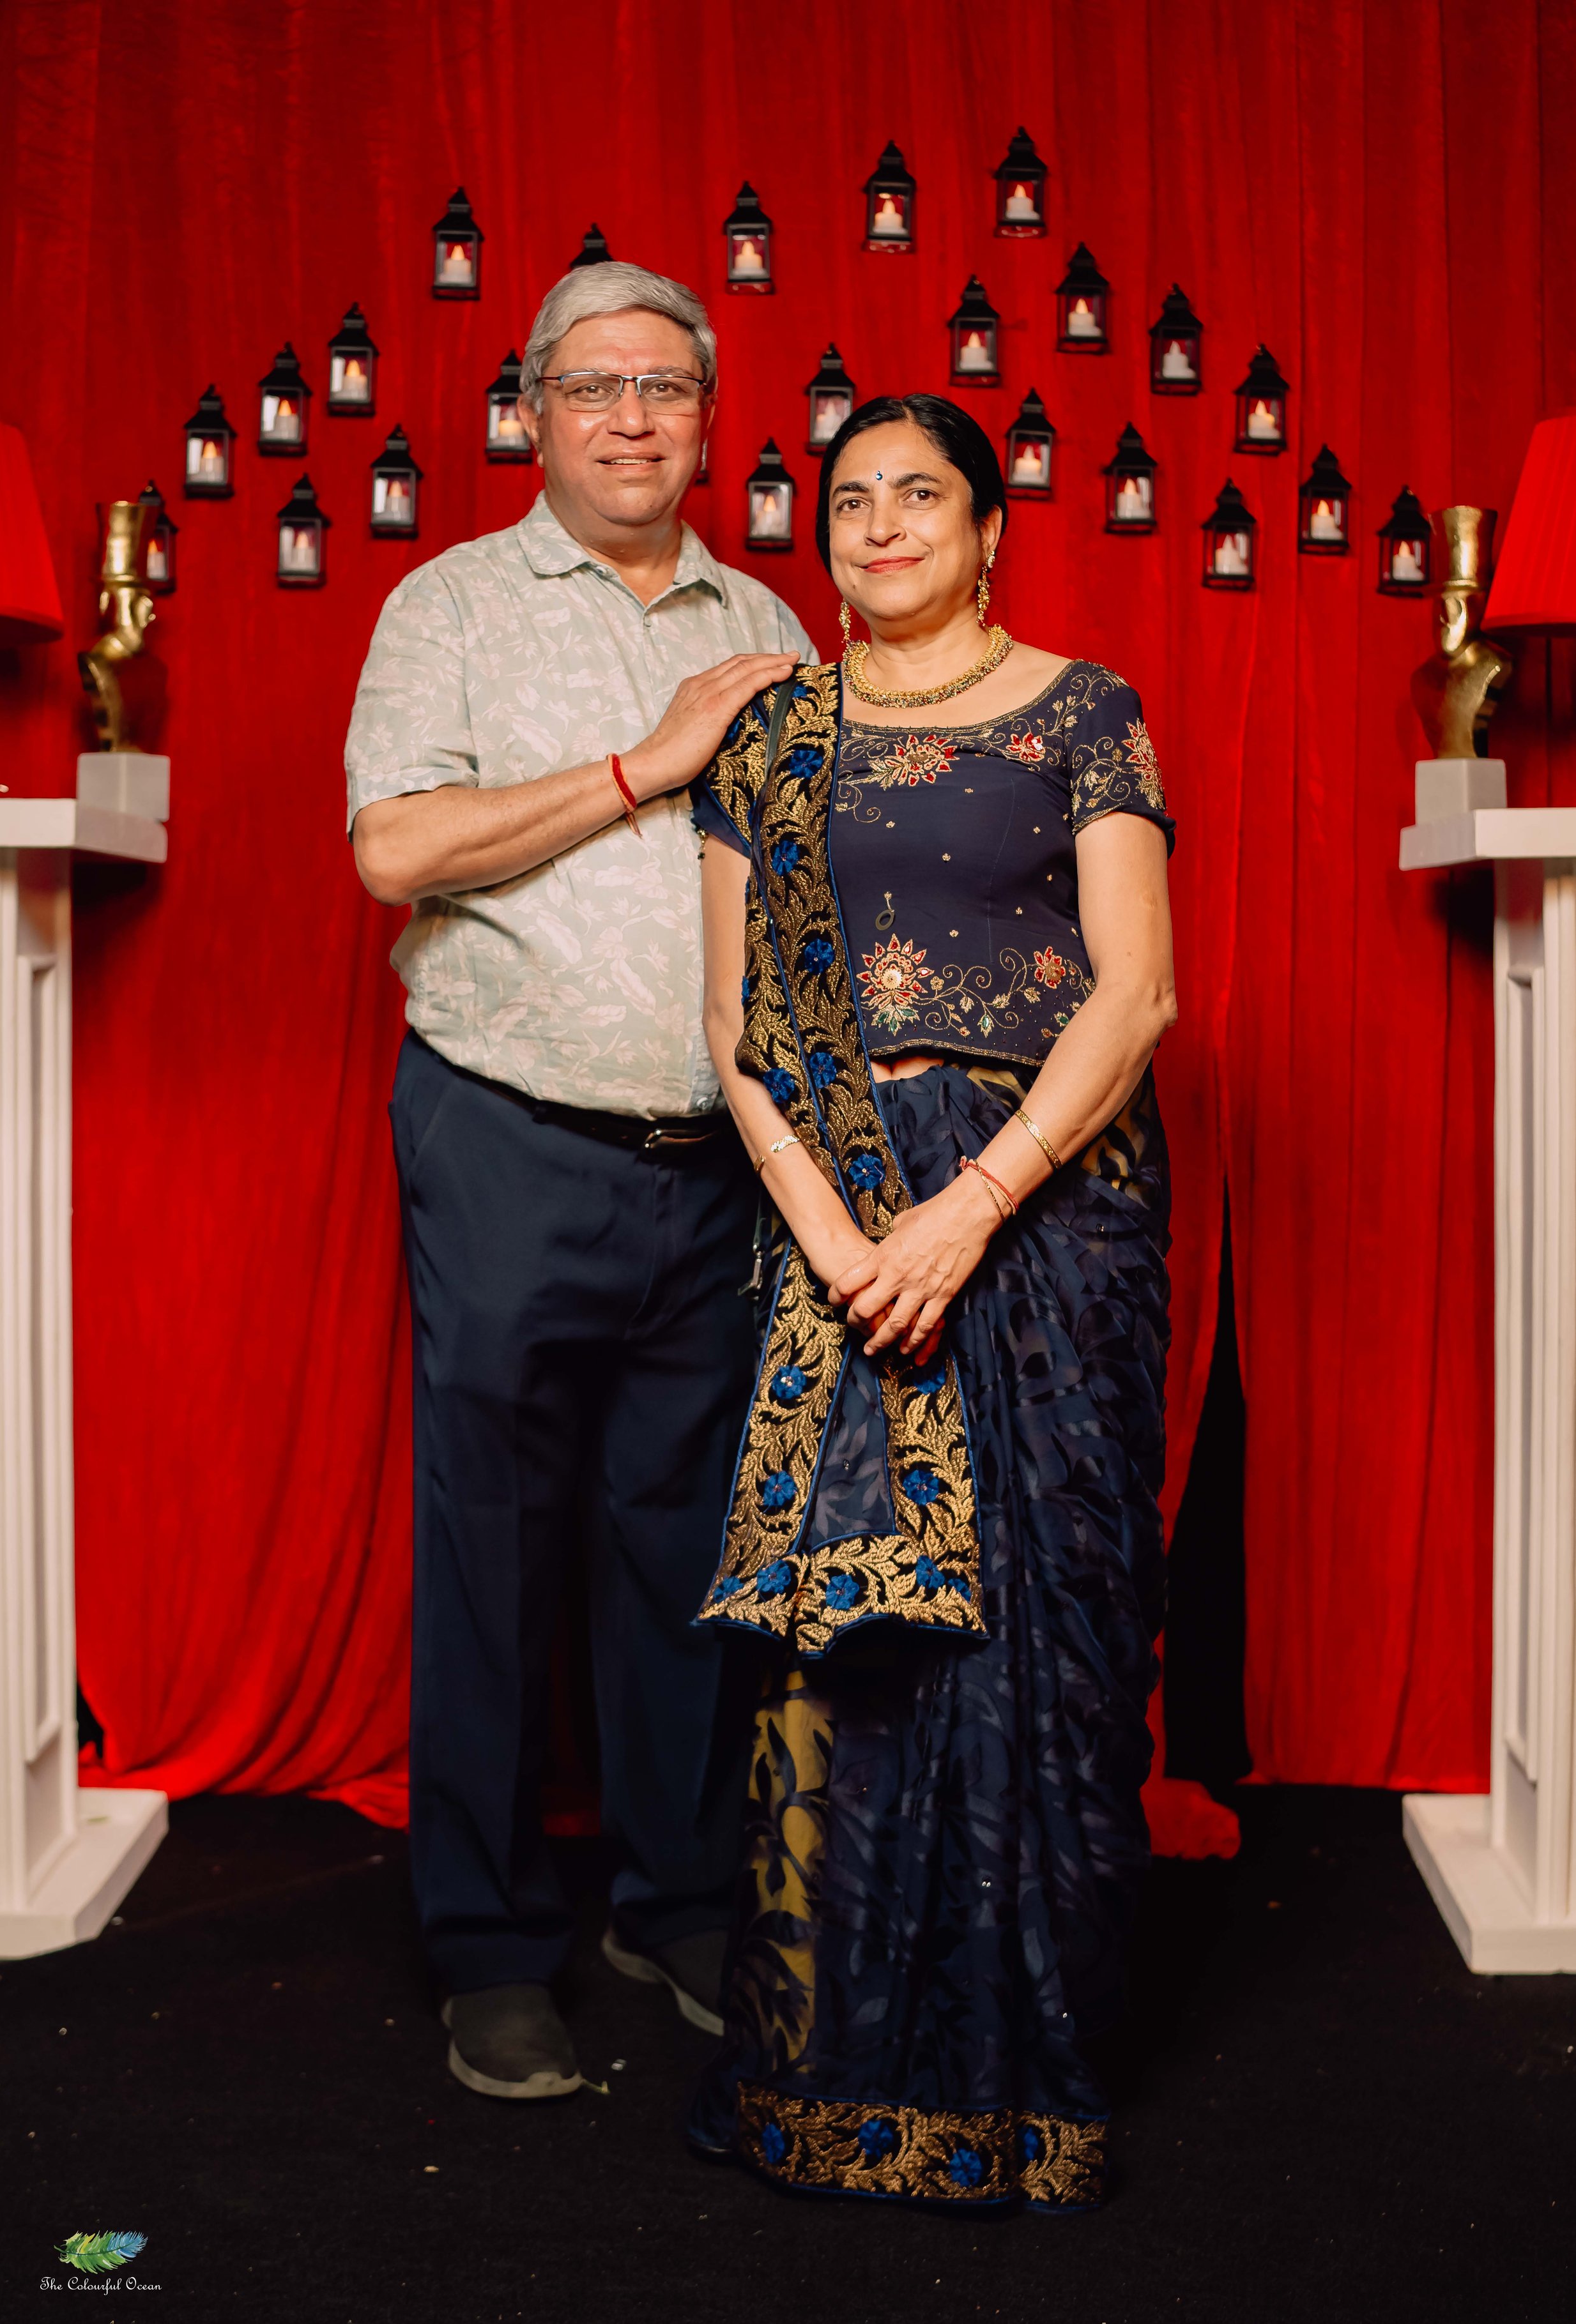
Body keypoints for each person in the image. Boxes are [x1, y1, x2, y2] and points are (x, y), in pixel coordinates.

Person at [687, 393, 1177, 2212]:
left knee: (1041, 1630)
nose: (882, 523)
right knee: (838, 1643)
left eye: (920, 495)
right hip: (835, 1221)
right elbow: (734, 1028)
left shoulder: (1082, 709)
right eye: (850, 499)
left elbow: (1135, 997)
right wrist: (837, 1239)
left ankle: (1017, 2086)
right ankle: (823, 2085)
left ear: (986, 530)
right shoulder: (772, 739)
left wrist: (970, 1208)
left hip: (1043, 1218)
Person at [344, 261, 815, 2100]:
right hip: (507, 1133)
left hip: (718, 1160)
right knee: (490, 1543)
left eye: (665, 388)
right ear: (532, 413)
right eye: (594, 386)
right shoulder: (449, 604)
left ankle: (674, 1899)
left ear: (708, 421)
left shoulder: (767, 614)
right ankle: (485, 1941)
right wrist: (645, 764)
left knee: (684, 1546)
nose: (631, 417)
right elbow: (395, 851)